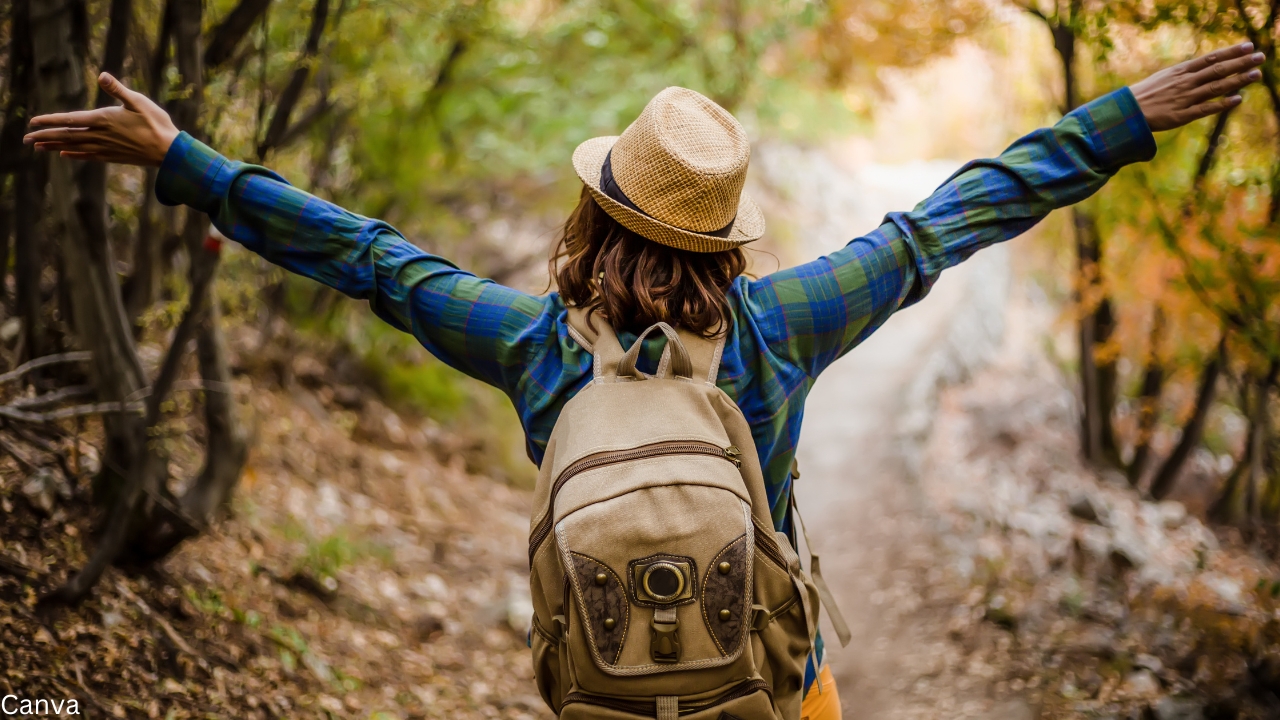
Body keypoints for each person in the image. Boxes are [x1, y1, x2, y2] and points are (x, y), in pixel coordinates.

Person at [25, 41, 1265, 719]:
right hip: (770, 686)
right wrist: (1121, 115)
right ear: (725, 236)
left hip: (607, 687)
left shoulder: (534, 344)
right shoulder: (782, 324)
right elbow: (950, 218)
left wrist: (185, 159)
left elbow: (366, 258)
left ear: (595, 208)